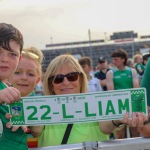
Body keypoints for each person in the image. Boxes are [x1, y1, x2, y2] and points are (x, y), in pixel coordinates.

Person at [29, 54, 146, 147]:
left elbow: (105, 126)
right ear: (50, 84)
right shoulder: (41, 109)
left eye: (72, 76)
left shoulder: (95, 104)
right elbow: (36, 129)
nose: (65, 83)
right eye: (58, 79)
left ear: (81, 80)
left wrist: (116, 118)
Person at [9, 47, 43, 148]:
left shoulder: (43, 106)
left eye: (30, 74)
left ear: (37, 81)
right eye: (17, 72)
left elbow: (38, 133)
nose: (24, 77)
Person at [0, 23, 27, 150]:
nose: (4, 59)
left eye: (12, 54)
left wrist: (26, 123)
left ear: (19, 58)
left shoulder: (12, 90)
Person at [106, 48, 140, 139]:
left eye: (116, 59)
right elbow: (111, 92)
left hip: (131, 105)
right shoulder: (110, 73)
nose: (113, 61)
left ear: (123, 59)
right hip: (118, 106)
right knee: (120, 134)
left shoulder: (132, 71)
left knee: (135, 131)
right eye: (113, 59)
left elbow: (136, 90)